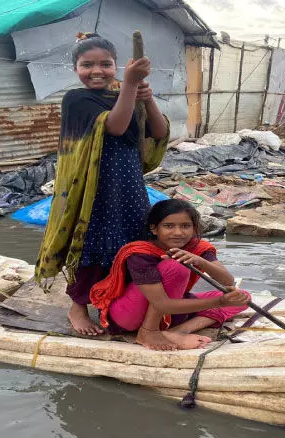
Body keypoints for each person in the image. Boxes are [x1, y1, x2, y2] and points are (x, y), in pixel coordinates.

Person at [34, 33, 170, 336]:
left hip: (128, 181)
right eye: (87, 65)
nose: (97, 71)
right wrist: (131, 85)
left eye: (105, 64)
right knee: (93, 242)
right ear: (75, 69)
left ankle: (118, 302)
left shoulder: (127, 94)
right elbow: (116, 126)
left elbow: (159, 133)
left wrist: (147, 99)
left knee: (133, 239)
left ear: (116, 65)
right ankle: (78, 307)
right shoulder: (76, 99)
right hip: (94, 185)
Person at [90, 199, 251, 351]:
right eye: (168, 226)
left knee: (243, 298)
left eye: (185, 226)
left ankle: (177, 331)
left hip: (169, 314)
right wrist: (219, 302)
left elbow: (227, 281)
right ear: (154, 229)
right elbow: (162, 304)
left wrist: (199, 261)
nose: (178, 232)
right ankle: (147, 332)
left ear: (194, 228)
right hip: (128, 316)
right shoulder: (140, 253)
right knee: (176, 267)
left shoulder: (196, 247)